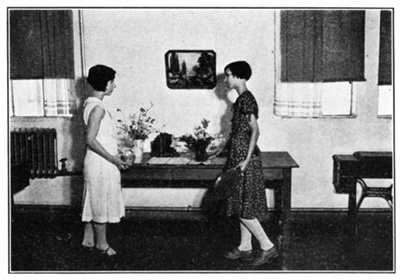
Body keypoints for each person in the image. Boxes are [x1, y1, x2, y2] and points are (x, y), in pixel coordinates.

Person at [213, 61, 278, 266]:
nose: (226, 79)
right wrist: (219, 150)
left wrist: (246, 159)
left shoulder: (246, 99)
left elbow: (255, 131)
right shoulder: (241, 100)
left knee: (244, 206)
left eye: (229, 75)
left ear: (240, 76)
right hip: (237, 155)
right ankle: (245, 247)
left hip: (244, 158)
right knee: (240, 204)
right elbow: (237, 132)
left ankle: (268, 246)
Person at [81, 65, 129, 256]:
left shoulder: (90, 103)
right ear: (105, 83)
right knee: (100, 201)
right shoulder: (98, 108)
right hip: (100, 162)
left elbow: (101, 138)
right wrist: (114, 160)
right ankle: (102, 244)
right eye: (112, 82)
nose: (114, 86)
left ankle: (88, 239)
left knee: (94, 199)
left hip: (99, 161)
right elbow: (90, 139)